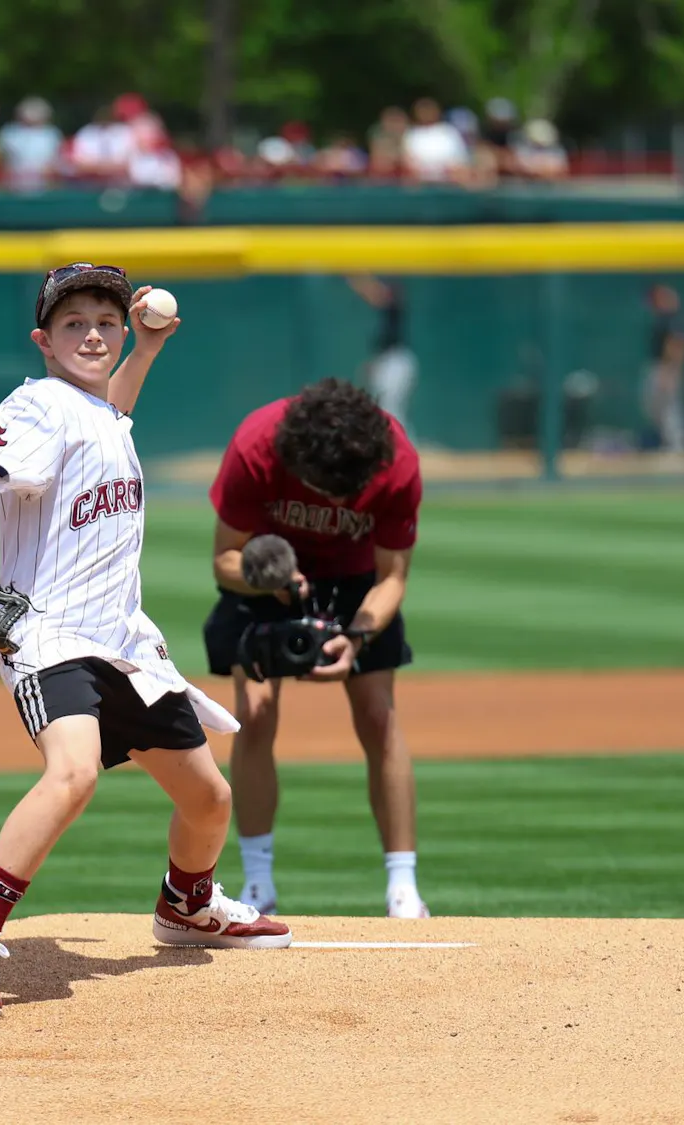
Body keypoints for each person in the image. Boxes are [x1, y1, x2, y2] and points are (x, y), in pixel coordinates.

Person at [0, 263, 291, 1020]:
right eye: (75, 322)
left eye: (106, 322)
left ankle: (186, 904)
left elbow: (106, 416)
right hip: (51, 635)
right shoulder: (39, 404)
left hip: (125, 645)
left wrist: (144, 351)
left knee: (209, 798)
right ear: (43, 340)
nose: (93, 333)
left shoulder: (92, 410)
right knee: (74, 772)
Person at [201, 378, 428, 920]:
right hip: (268, 575)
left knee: (378, 716)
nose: (333, 502)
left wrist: (360, 636)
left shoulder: (397, 462)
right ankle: (258, 884)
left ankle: (403, 889)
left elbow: (393, 576)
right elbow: (225, 561)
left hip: (357, 585)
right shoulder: (256, 445)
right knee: (254, 713)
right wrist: (270, 581)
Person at [349, 274, 416, 431]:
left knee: (391, 406)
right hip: (389, 360)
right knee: (384, 405)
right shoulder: (386, 315)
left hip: (397, 361)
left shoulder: (394, 307)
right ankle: (397, 444)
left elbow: (376, 294)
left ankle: (402, 444)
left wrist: (356, 277)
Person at [642, 283, 684, 458]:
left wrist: (671, 371)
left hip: (667, 368)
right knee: (654, 407)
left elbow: (678, 346)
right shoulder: (663, 318)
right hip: (659, 367)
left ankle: (678, 445)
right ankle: (670, 443)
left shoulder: (675, 319)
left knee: (671, 407)